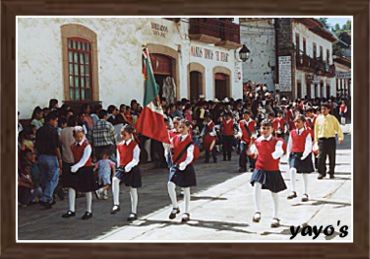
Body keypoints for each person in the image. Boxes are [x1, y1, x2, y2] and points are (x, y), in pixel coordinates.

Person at [249, 119, 287, 228]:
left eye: (267, 128)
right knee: (257, 184)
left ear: (272, 129)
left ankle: (275, 216)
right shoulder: (257, 141)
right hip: (260, 167)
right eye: (263, 128)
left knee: (274, 193)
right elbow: (253, 150)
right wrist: (252, 150)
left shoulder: (277, 141)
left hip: (272, 169)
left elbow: (280, 151)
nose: (265, 130)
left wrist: (275, 155)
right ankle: (257, 211)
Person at [62, 126, 97, 220]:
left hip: (86, 168)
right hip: (76, 167)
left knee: (87, 189)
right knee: (72, 187)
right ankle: (71, 209)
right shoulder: (73, 146)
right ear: (74, 136)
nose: (79, 138)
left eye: (81, 136)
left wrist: (76, 166)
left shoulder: (87, 145)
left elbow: (85, 159)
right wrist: (75, 166)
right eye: (77, 136)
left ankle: (88, 210)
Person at [166, 120, 197, 223]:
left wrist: (185, 163)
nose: (181, 129)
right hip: (176, 165)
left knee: (186, 189)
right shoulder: (174, 138)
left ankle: (186, 211)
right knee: (170, 184)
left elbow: (190, 155)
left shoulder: (190, 141)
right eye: (180, 127)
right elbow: (170, 150)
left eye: (183, 127)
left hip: (186, 166)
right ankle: (175, 206)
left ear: (188, 128)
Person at [111, 125, 142, 222]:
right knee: (115, 180)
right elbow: (119, 157)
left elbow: (136, 159)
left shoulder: (135, 145)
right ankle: (116, 203)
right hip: (122, 167)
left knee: (133, 190)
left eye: (124, 134)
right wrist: (119, 166)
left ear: (130, 134)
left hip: (132, 168)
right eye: (121, 134)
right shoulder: (119, 145)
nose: (122, 136)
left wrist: (129, 165)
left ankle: (134, 211)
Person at [35, 111, 62, 209]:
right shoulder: (53, 131)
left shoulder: (39, 130)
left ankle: (49, 200)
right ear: (51, 120)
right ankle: (46, 197)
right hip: (51, 156)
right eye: (56, 121)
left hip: (41, 156)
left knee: (45, 178)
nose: (56, 123)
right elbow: (56, 147)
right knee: (53, 178)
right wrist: (60, 158)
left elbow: (36, 145)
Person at [286, 115, 314, 202]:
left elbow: (308, 144)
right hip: (294, 154)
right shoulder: (292, 132)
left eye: (298, 122)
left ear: (303, 122)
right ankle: (293, 190)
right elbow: (289, 144)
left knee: (304, 174)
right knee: (292, 170)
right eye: (295, 122)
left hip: (303, 154)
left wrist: (305, 154)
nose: (296, 124)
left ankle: (305, 192)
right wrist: (288, 155)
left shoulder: (307, 133)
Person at [314, 103, 344, 179]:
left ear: (329, 110)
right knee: (321, 157)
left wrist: (340, 137)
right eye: (322, 109)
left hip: (330, 139)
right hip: (322, 140)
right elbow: (316, 130)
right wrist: (315, 141)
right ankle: (322, 172)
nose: (323, 111)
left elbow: (338, 128)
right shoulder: (318, 119)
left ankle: (331, 172)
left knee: (332, 157)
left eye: (325, 109)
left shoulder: (332, 118)